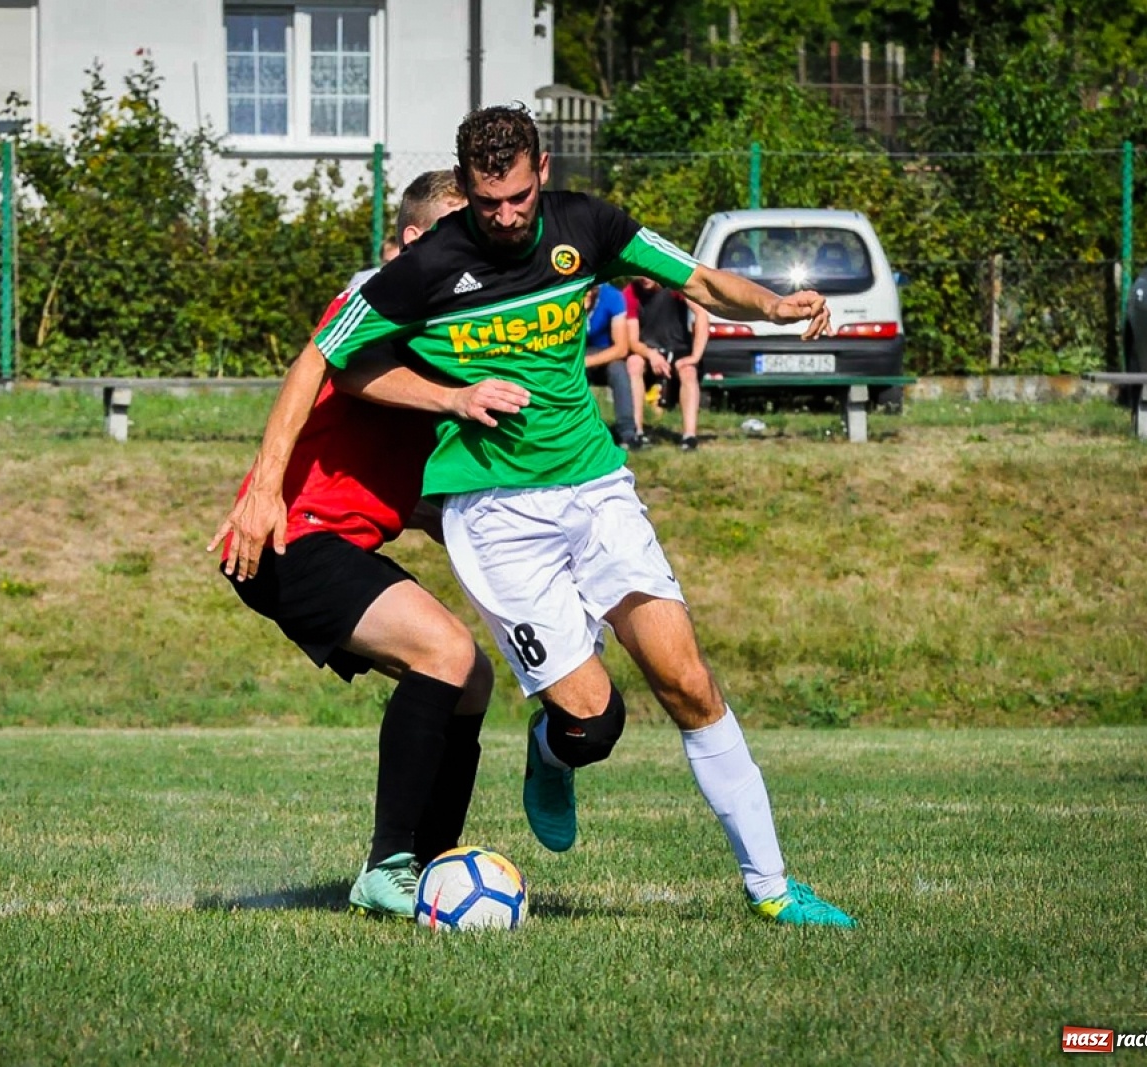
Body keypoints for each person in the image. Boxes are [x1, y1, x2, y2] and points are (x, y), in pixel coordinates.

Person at [219, 105, 857, 927]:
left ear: (542, 171)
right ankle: (543, 759)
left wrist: (769, 306)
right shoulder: (426, 268)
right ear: (469, 193)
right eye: (489, 204)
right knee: (592, 722)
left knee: (688, 681)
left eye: (519, 197)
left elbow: (696, 278)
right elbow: (325, 360)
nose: (507, 217)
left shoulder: (588, 226)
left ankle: (772, 889)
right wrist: (266, 485)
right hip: (499, 519)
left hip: (597, 490)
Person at [212, 170, 528, 919]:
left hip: (333, 537)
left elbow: (378, 459)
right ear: (417, 239)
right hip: (292, 538)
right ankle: (385, 867)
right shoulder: (382, 290)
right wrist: (261, 490)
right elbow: (335, 369)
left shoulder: (449, 314)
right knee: (444, 655)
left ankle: (424, 869)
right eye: (461, 227)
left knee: (470, 678)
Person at [630, 276, 710, 451]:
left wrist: (695, 356)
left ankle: (689, 436)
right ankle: (635, 431)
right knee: (633, 363)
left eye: (647, 273)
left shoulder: (675, 286)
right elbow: (632, 340)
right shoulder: (631, 292)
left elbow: (701, 314)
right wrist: (651, 355)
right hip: (648, 350)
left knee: (688, 371)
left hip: (679, 348)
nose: (644, 278)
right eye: (639, 273)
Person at [581, 281, 640, 447]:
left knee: (619, 370)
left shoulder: (612, 297)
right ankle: (578, 430)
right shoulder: (566, 299)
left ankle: (627, 432)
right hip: (575, 354)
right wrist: (580, 313)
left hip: (604, 353)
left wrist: (587, 362)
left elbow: (621, 348)